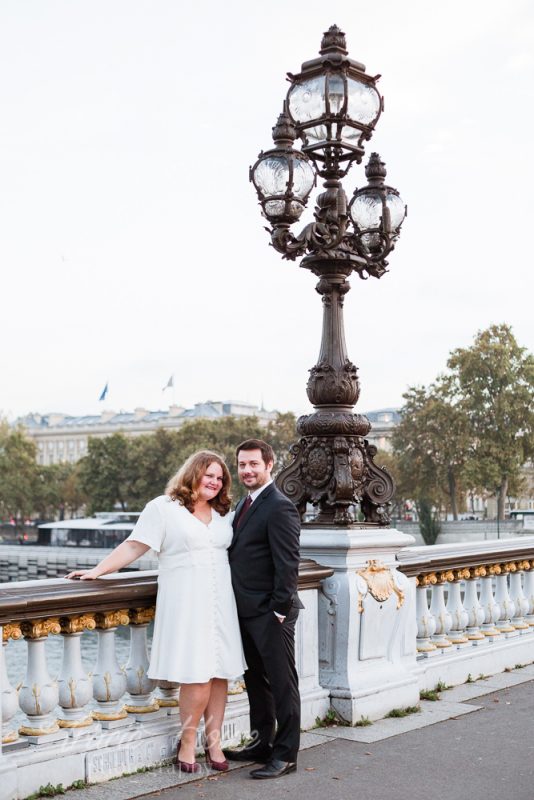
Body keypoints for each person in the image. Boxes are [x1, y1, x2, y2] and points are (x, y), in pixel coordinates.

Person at [66, 450, 246, 773]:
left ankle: (214, 742)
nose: (215, 482)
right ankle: (188, 742)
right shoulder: (163, 509)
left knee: (220, 675)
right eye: (209, 475)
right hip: (187, 604)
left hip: (222, 604)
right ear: (193, 473)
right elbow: (135, 545)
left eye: (220, 478)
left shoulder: (223, 513)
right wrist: (98, 571)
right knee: (197, 674)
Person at [223, 438, 302, 780]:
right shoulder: (246, 503)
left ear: (269, 464)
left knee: (283, 685)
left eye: (253, 464)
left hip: (271, 613)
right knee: (257, 682)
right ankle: (261, 744)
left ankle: (285, 755)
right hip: (247, 611)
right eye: (242, 465)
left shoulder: (279, 505)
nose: (247, 470)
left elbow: (288, 564)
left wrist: (279, 611)